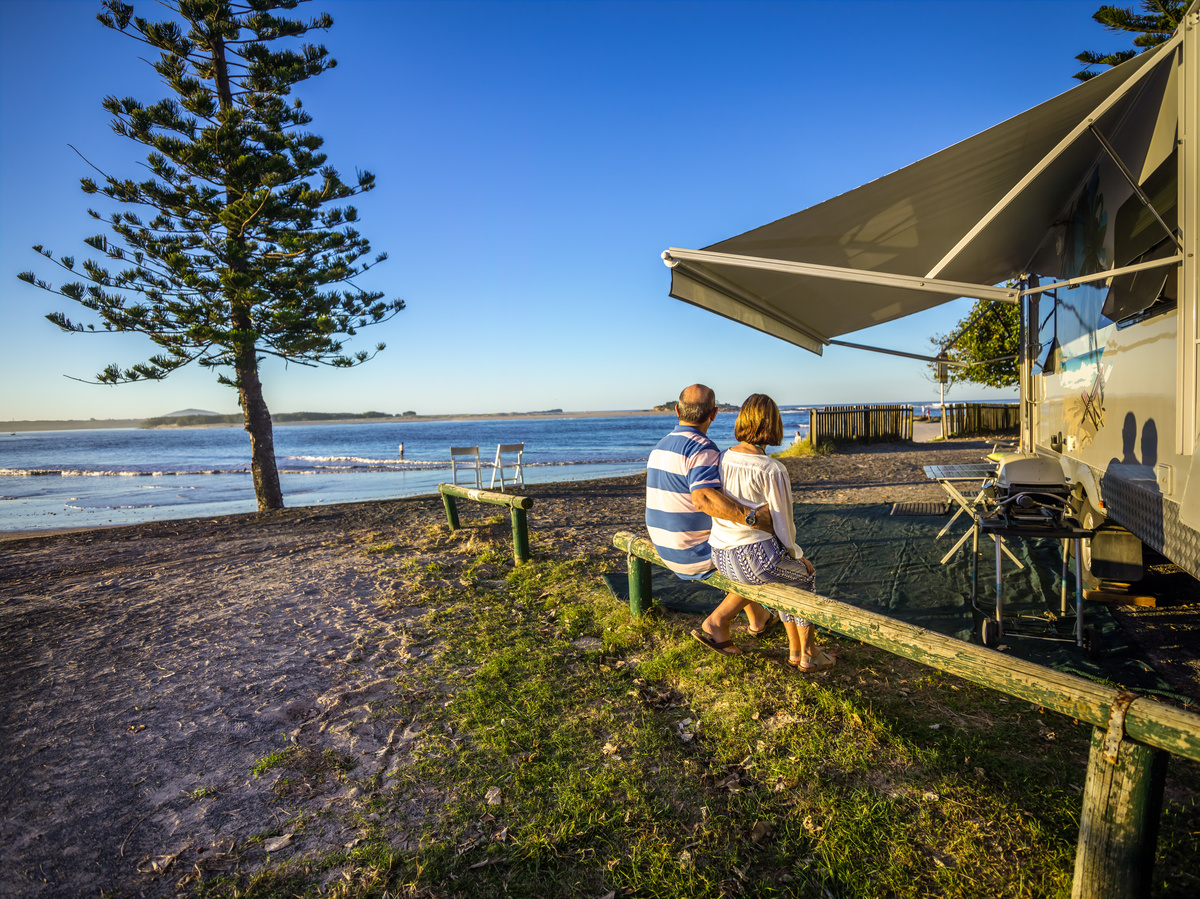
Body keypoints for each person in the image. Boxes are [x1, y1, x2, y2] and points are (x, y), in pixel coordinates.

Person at [708, 394, 835, 672]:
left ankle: (795, 651)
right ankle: (809, 652)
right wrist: (797, 555)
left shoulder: (722, 457)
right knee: (805, 577)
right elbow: (783, 523)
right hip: (753, 560)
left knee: (790, 578)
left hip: (719, 554)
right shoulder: (771, 469)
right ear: (773, 424)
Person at [646, 384, 776, 655]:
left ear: (677, 410)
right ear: (714, 414)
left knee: (740, 543)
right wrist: (752, 518)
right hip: (691, 553)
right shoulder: (702, 448)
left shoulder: (659, 447)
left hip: (664, 545)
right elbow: (702, 499)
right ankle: (718, 622)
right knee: (760, 557)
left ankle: (759, 619)